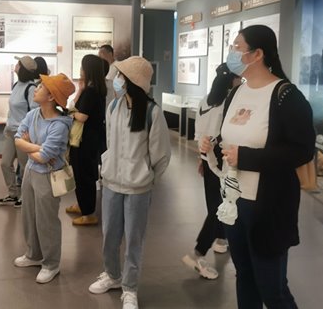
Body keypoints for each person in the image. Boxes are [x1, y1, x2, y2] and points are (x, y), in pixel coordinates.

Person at [200, 25, 315, 309]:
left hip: (267, 207)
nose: (232, 53)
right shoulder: (236, 93)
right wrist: (213, 145)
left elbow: (302, 150)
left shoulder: (286, 96)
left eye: (237, 47)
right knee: (245, 277)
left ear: (258, 54)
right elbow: (231, 140)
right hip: (234, 201)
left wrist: (247, 158)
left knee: (272, 290)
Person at [89, 56, 171, 309]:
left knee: (134, 240)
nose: (116, 80)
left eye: (121, 76)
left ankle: (130, 288)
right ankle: (112, 275)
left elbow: (161, 154)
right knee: (109, 235)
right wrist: (108, 167)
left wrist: (147, 177)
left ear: (133, 81)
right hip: (112, 183)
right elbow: (110, 143)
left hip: (138, 188)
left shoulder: (152, 112)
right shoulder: (113, 106)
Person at [13, 73, 75, 284]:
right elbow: (17, 140)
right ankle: (33, 254)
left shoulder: (60, 125)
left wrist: (31, 147)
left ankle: (51, 264)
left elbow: (44, 157)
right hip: (30, 172)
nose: (36, 88)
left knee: (46, 221)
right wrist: (38, 148)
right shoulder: (33, 115)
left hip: (48, 176)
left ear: (51, 97)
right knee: (29, 216)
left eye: (41, 87)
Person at [181, 63, 240, 280]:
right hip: (223, 160)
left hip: (207, 156)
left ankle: (221, 240)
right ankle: (197, 253)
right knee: (220, 207)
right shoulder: (229, 101)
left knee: (214, 202)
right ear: (233, 80)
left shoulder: (205, 100)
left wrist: (202, 158)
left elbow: (200, 134)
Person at [66, 54, 106, 225]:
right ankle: (82, 206)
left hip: (86, 141)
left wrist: (71, 113)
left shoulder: (92, 92)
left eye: (82, 67)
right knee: (79, 174)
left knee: (84, 176)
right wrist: (80, 90)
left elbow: (81, 116)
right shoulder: (90, 90)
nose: (80, 70)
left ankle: (89, 213)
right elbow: (75, 106)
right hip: (85, 140)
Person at [0, 56, 38, 208]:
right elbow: (12, 110)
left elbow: (34, 113)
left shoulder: (31, 88)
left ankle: (26, 197)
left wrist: (29, 133)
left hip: (23, 133)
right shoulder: (16, 85)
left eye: (18, 64)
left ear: (23, 68)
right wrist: (7, 126)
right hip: (11, 131)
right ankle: (13, 194)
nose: (16, 65)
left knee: (25, 166)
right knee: (5, 163)